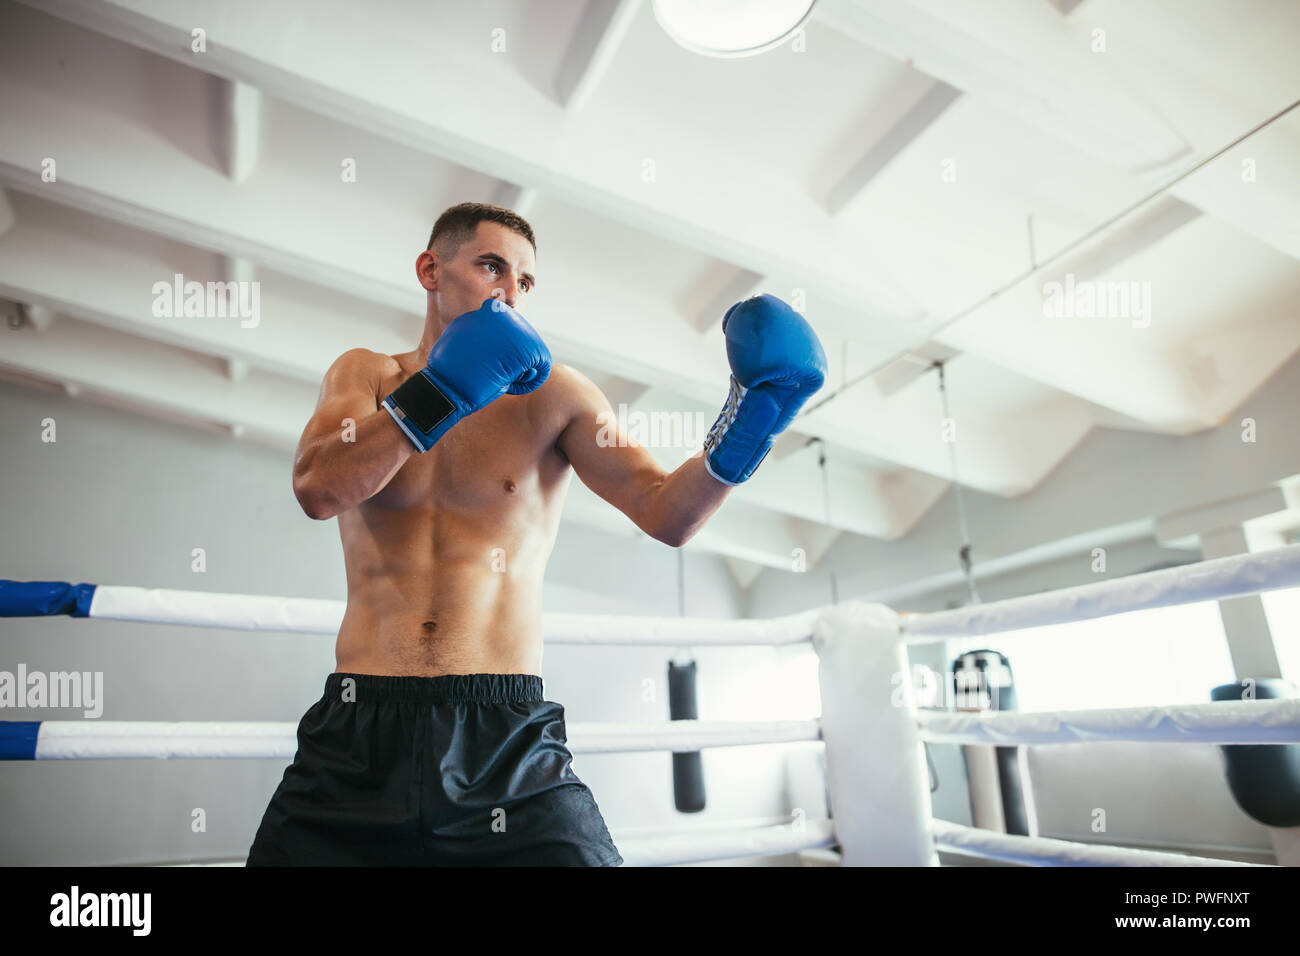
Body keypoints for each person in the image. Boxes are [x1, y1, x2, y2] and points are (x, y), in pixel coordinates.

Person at [246, 202, 826, 865]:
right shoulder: (369, 375)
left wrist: (747, 425)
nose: (509, 293)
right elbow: (321, 488)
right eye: (491, 267)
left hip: (506, 738)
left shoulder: (558, 396)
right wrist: (443, 387)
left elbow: (666, 514)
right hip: (359, 731)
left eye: (524, 282)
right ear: (431, 270)